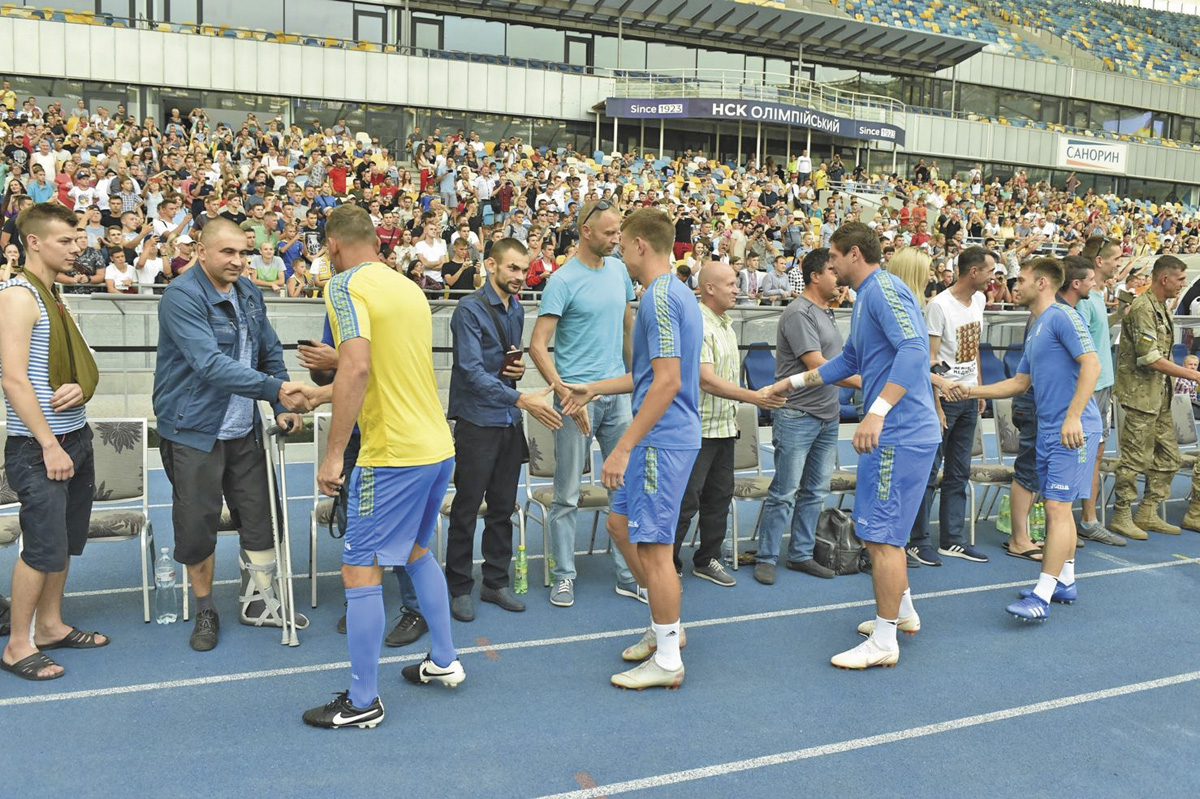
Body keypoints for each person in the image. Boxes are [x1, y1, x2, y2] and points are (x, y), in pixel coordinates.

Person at [303, 206, 462, 730]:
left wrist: (332, 453)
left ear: (332, 246)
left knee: (360, 567)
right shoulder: (407, 287)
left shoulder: (346, 285)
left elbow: (358, 365)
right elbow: (382, 373)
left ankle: (363, 699)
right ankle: (443, 661)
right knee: (417, 553)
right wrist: (321, 393)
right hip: (436, 446)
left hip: (392, 454)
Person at [766, 222, 941, 669]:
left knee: (879, 538)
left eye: (834, 257)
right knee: (886, 536)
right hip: (898, 432)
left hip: (898, 434)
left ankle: (884, 640)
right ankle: (901, 615)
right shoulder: (867, 298)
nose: (831, 265)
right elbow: (848, 362)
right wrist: (792, 381)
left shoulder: (883, 291)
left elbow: (914, 350)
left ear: (854, 255)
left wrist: (877, 411)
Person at [153, 217, 310, 652]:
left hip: (244, 430)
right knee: (197, 524)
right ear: (201, 251)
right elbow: (209, 365)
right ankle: (205, 607)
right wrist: (275, 389)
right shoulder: (182, 296)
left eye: (243, 252)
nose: (238, 261)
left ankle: (257, 601)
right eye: (228, 252)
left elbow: (269, 351)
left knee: (262, 517)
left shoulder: (248, 292)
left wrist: (279, 406)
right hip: (194, 429)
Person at [562, 208, 702, 689]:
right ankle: (668, 628)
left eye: (623, 244)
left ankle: (667, 658)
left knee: (655, 548)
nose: (619, 251)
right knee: (621, 525)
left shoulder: (662, 298)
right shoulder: (670, 294)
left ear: (642, 244)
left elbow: (666, 383)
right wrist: (595, 388)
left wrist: (622, 447)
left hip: (660, 440)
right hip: (662, 435)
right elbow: (649, 375)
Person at [960, 258, 1102, 620]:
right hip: (1052, 428)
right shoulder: (1038, 326)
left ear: (1041, 283)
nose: (1013, 285)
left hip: (1074, 430)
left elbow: (1093, 364)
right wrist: (970, 391)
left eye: (1020, 279)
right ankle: (1065, 580)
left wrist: (1072, 417)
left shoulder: (1063, 316)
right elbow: (1019, 383)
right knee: (1060, 507)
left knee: (1056, 508)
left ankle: (1042, 594)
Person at [0, 203, 104, 681]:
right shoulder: (20, 295)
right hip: (40, 444)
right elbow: (14, 380)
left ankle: (50, 625)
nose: (76, 247)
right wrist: (48, 444)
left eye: (77, 238)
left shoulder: (53, 295)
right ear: (34, 242)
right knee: (41, 547)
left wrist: (81, 388)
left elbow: (72, 369)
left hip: (74, 434)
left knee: (62, 543)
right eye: (66, 240)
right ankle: (18, 645)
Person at [529, 200, 641, 608]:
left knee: (623, 489)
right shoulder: (562, 280)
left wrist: (633, 381)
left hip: (616, 397)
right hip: (576, 403)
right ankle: (563, 575)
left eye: (619, 233)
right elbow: (537, 346)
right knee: (567, 493)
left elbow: (628, 326)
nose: (617, 240)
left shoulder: (618, 271)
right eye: (611, 233)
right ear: (586, 232)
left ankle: (629, 575)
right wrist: (561, 391)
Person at [444, 238, 562, 620]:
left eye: (523, 269)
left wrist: (518, 372)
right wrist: (520, 398)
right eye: (512, 268)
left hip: (508, 420)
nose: (519, 276)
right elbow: (471, 372)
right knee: (465, 508)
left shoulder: (515, 309)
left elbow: (506, 363)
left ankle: (495, 582)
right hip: (478, 422)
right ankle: (458, 586)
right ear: (490, 265)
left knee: (502, 507)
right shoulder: (468, 310)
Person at [672, 261, 784, 588]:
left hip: (724, 428)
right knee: (686, 502)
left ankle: (707, 558)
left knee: (719, 498)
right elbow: (706, 380)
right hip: (698, 430)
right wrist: (754, 397)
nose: (738, 290)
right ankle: (666, 565)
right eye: (731, 284)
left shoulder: (725, 324)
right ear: (709, 288)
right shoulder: (698, 325)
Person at [756, 248, 860, 584]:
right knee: (785, 491)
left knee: (815, 491)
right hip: (798, 415)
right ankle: (767, 556)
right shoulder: (799, 313)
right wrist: (865, 382)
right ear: (815, 276)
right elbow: (818, 365)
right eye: (832, 271)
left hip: (826, 416)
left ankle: (800, 554)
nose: (838, 277)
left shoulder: (826, 312)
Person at [907, 246, 992, 566]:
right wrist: (937, 406)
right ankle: (918, 540)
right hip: (944, 398)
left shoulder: (980, 301)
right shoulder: (939, 306)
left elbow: (976, 351)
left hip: (969, 396)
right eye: (989, 271)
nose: (993, 278)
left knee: (959, 470)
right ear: (973, 272)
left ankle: (952, 539)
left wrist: (979, 388)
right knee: (929, 472)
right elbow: (929, 363)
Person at [1110, 255, 1200, 538]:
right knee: (1134, 459)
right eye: (1180, 280)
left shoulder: (1160, 307)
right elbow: (1150, 358)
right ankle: (1121, 514)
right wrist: (1194, 375)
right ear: (1165, 279)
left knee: (1170, 457)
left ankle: (1148, 511)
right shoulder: (1142, 308)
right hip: (1139, 396)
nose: (1183, 285)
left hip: (1158, 396)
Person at [1071, 238, 1129, 546]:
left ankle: (1087, 520)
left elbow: (1096, 331)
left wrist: (1118, 315)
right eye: (1116, 258)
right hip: (1089, 388)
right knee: (1080, 454)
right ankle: (1069, 519)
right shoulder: (1083, 300)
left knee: (1095, 455)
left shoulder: (1095, 297)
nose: (1119, 262)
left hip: (1102, 385)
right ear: (1099, 262)